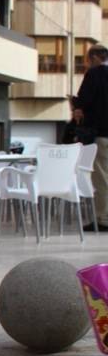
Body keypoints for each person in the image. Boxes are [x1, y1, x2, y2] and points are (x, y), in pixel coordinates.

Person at [72, 43, 108, 231]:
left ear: (94, 57)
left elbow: (84, 99)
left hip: (102, 134)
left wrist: (76, 104)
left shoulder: (95, 74)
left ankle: (103, 218)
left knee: (101, 177)